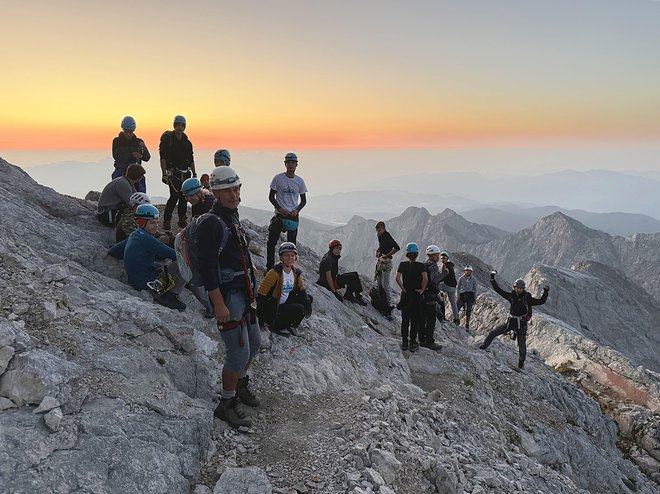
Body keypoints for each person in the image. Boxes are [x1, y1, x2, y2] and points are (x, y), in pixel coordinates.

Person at [196, 166, 260, 428]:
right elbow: (207, 268)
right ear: (216, 192)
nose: (234, 194)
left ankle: (240, 383)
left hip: (243, 292)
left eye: (236, 189)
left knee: (254, 344)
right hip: (228, 296)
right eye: (227, 190)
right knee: (237, 351)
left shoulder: (232, 216)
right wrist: (218, 303)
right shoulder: (211, 223)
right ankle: (227, 403)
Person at [107, 204, 186, 311]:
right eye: (152, 223)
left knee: (159, 264)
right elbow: (175, 255)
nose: (156, 226)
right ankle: (168, 295)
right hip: (146, 282)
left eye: (157, 222)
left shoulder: (135, 235)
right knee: (183, 262)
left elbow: (113, 251)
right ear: (141, 222)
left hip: (136, 279)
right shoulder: (146, 239)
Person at [479, 273, 549, 370]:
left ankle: (520, 364)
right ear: (514, 287)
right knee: (493, 333)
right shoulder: (511, 296)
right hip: (511, 322)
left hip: (522, 324)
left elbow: (541, 301)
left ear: (523, 289)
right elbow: (498, 290)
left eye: (521, 288)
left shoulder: (527, 298)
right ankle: (483, 347)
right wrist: (492, 279)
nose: (519, 289)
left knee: (522, 346)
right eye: (518, 288)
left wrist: (545, 292)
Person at [257, 242, 313, 337]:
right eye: (286, 255)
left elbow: (302, 291)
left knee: (309, 299)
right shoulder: (274, 273)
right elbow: (261, 295)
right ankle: (277, 326)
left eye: (292, 255)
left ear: (295, 257)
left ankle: (292, 325)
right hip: (273, 308)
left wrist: (309, 307)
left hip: (284, 304)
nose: (290, 258)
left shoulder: (295, 273)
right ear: (281, 257)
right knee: (299, 308)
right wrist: (261, 319)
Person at [266, 152, 308, 270]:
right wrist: (280, 209)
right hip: (280, 215)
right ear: (285, 164)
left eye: (293, 163)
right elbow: (271, 197)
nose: (290, 165)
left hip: (292, 216)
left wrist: (297, 210)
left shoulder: (300, 181)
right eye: (288, 163)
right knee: (271, 244)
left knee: (291, 247)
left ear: (296, 165)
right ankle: (269, 268)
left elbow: (303, 200)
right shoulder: (278, 178)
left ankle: (290, 269)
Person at [160, 115, 196, 230]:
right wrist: (164, 174)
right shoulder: (167, 141)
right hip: (173, 172)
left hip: (185, 172)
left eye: (182, 125)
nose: (180, 127)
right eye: (178, 125)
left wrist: (194, 173)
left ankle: (182, 219)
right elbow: (163, 158)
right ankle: (167, 220)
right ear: (174, 125)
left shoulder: (187, 142)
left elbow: (191, 159)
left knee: (184, 197)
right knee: (174, 196)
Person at [395, 243, 427, 352]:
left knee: (405, 320)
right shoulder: (421, 265)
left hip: (406, 295)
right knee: (415, 319)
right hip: (416, 295)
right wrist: (422, 289)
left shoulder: (402, 265)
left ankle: (404, 342)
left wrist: (403, 289)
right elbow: (425, 278)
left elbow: (397, 278)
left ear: (407, 254)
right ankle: (413, 342)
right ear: (417, 254)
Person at [317, 239, 366, 305]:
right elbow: (328, 278)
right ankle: (353, 296)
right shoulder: (328, 260)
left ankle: (355, 295)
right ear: (332, 249)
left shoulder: (332, 256)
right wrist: (334, 292)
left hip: (333, 279)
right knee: (352, 277)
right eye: (336, 248)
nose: (338, 251)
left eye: (340, 249)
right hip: (326, 284)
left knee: (355, 274)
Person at [111, 116, 150, 193]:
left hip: (135, 171)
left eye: (130, 132)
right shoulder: (117, 141)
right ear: (123, 130)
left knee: (140, 188)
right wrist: (132, 155)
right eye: (126, 131)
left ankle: (140, 202)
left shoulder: (139, 142)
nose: (128, 134)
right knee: (117, 186)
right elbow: (116, 157)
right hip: (121, 169)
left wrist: (144, 149)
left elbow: (147, 158)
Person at [374, 221, 400, 320]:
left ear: (384, 229)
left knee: (386, 285)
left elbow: (397, 247)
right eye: (377, 231)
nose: (378, 233)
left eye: (379, 230)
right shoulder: (380, 236)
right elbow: (382, 245)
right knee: (379, 283)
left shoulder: (387, 236)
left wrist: (388, 255)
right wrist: (378, 251)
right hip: (381, 261)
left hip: (387, 263)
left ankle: (388, 307)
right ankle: (382, 303)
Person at [420, 245, 443, 350]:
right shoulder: (433, 266)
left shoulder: (425, 264)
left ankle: (421, 339)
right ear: (432, 255)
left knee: (423, 318)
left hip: (424, 295)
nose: (438, 256)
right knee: (431, 319)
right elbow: (434, 280)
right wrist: (445, 273)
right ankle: (429, 341)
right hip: (431, 296)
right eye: (437, 254)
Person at [438, 251, 460, 325]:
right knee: (453, 303)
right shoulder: (450, 265)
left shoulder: (446, 266)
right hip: (453, 287)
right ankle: (456, 319)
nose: (442, 259)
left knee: (436, 287)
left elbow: (444, 276)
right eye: (441, 258)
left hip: (447, 286)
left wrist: (437, 279)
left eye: (444, 258)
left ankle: (441, 314)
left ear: (447, 258)